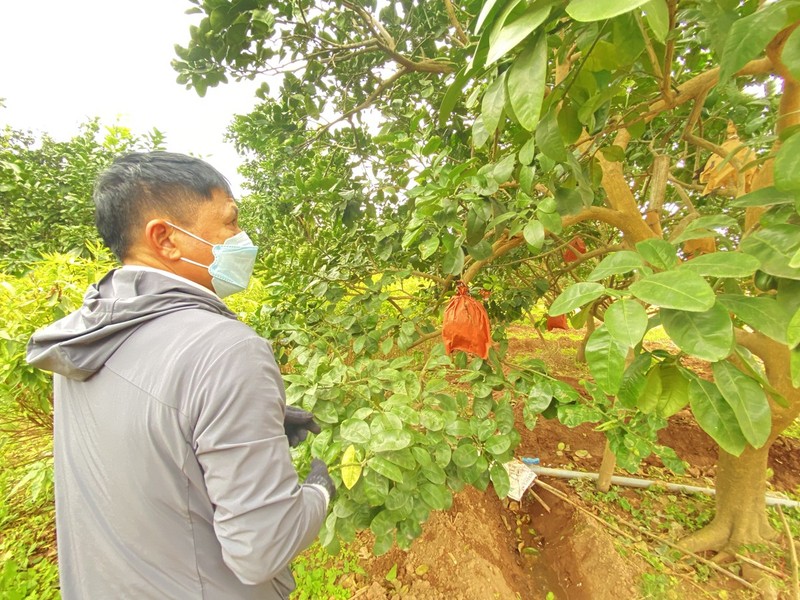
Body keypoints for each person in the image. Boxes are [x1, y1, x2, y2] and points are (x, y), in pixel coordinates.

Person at [26, 151, 336, 599]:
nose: (242, 239)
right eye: (230, 222)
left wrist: (238, 424)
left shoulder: (84, 337)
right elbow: (262, 549)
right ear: (166, 239)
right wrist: (319, 491)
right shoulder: (227, 349)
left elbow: (145, 443)